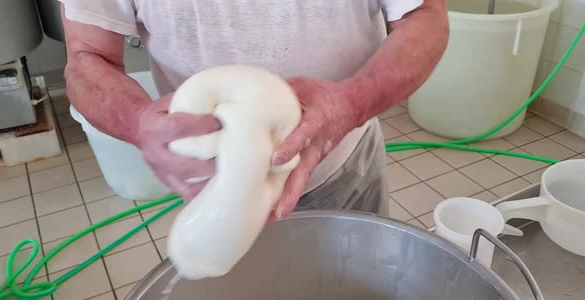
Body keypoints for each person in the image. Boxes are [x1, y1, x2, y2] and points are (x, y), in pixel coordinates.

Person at [60, 0, 448, 220]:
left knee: (362, 294)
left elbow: (424, 16)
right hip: (219, 188)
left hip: (346, 166)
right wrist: (139, 124)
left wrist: (352, 102)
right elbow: (85, 56)